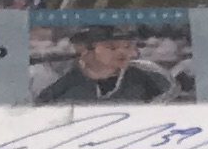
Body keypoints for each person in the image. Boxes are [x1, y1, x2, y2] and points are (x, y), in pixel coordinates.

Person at [32, 24, 177, 107]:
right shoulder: (58, 85)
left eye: (127, 46)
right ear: (84, 49)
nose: (122, 52)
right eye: (111, 47)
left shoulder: (152, 77)